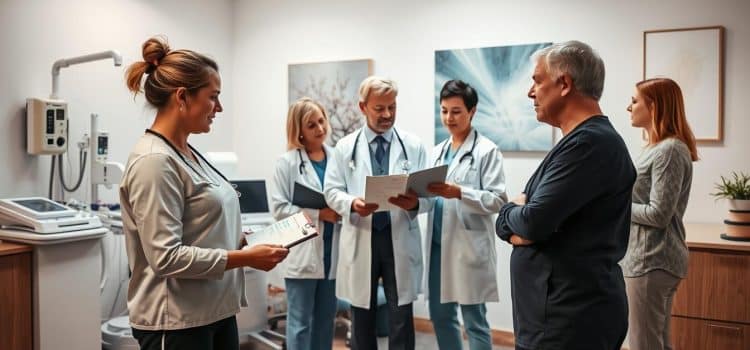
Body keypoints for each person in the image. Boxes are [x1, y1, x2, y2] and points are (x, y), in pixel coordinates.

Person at [120, 36, 288, 350]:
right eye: (213, 97)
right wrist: (244, 257)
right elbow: (166, 257)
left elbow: (199, 227)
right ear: (182, 97)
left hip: (215, 311)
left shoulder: (188, 153)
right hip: (177, 322)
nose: (219, 108)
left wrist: (246, 240)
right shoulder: (155, 161)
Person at [494, 40, 636, 350]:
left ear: (564, 84)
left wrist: (507, 214)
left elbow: (532, 222)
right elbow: (528, 221)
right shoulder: (580, 142)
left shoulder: (589, 145)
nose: (530, 92)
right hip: (558, 318)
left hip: (569, 322)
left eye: (537, 81)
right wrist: (513, 221)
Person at [324, 76, 427, 350]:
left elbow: (428, 194)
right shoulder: (345, 148)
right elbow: (331, 191)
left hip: (398, 237)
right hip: (363, 234)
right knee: (362, 317)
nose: (387, 114)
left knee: (401, 316)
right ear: (363, 107)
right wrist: (352, 203)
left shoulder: (413, 145)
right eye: (379, 108)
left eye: (392, 107)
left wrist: (415, 204)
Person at [419, 79, 507, 349]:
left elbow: (498, 200)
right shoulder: (437, 153)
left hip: (467, 247)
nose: (449, 118)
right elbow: (430, 199)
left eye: (456, 111)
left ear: (472, 111)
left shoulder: (486, 151)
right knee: (441, 317)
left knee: (474, 321)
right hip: (437, 248)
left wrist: (460, 192)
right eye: (444, 110)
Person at [621, 78, 698, 350]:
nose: (628, 108)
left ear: (654, 106)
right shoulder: (657, 148)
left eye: (634, 101)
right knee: (657, 343)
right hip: (649, 259)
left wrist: (615, 207)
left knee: (644, 344)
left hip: (652, 259)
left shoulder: (670, 150)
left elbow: (659, 214)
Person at [270, 97, 341, 350]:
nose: (320, 128)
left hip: (334, 252)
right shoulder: (287, 163)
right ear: (299, 131)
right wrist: (320, 213)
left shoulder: (338, 158)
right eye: (311, 125)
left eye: (321, 121)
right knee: (300, 323)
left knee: (325, 321)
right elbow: (279, 209)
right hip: (304, 253)